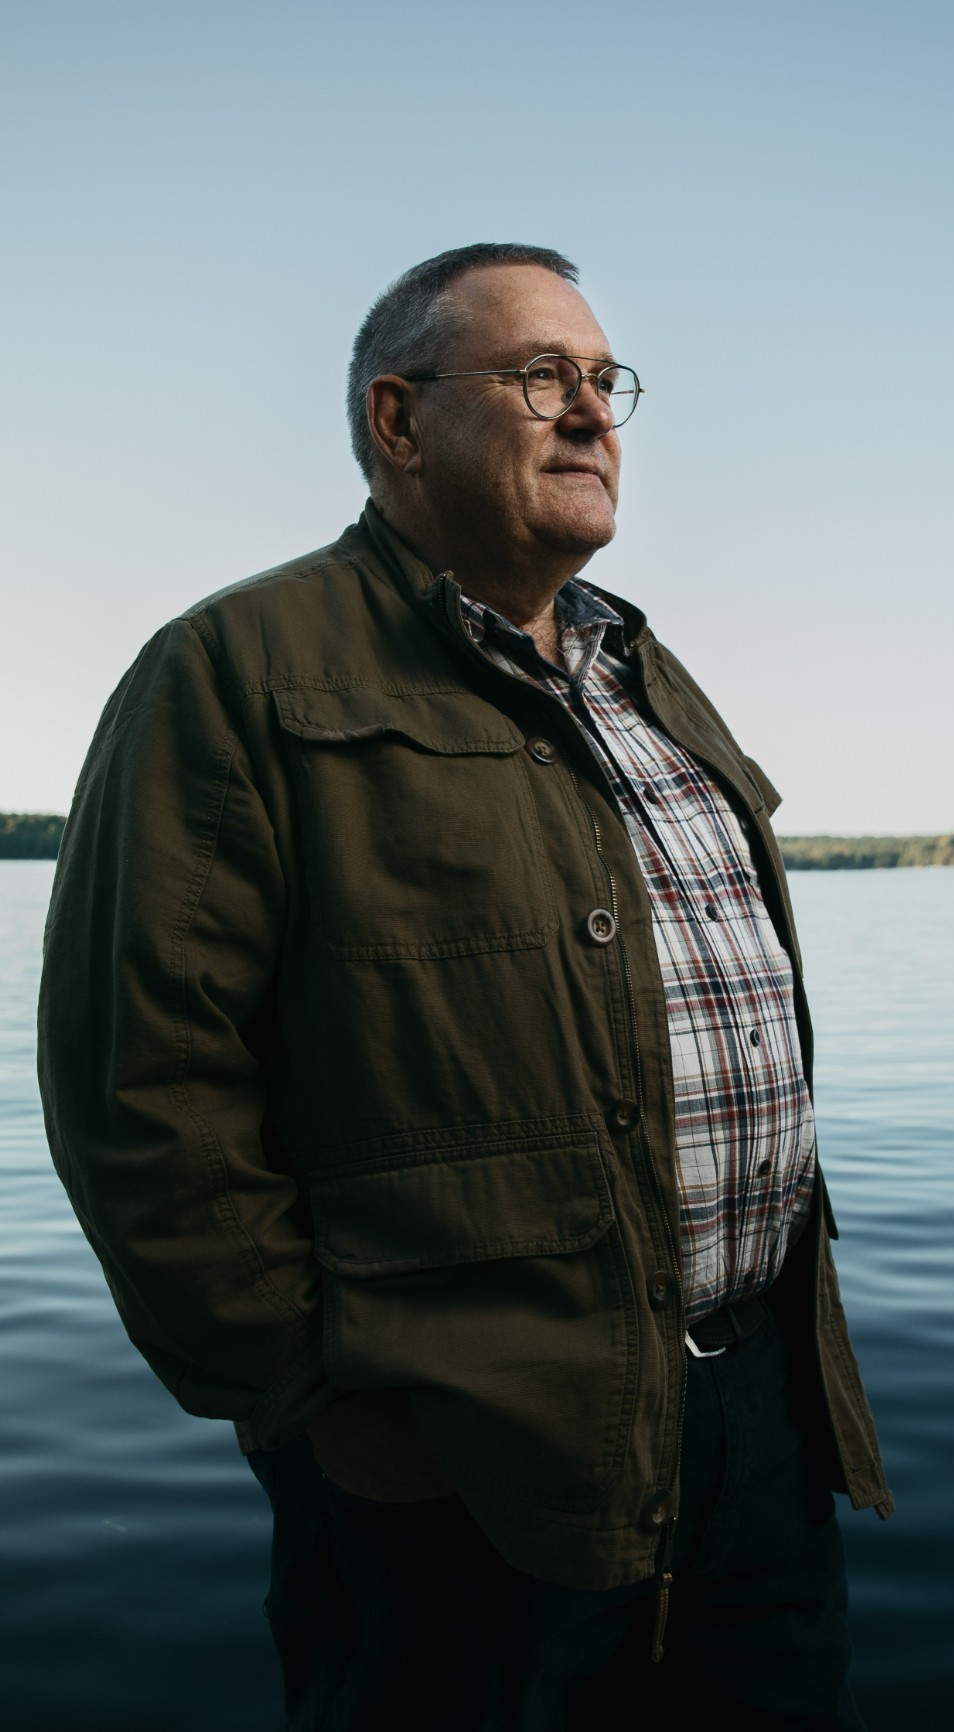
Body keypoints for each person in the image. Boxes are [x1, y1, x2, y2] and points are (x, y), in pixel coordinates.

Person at [37, 242, 890, 1730]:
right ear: (398, 418)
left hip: (760, 1424)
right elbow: (140, 1093)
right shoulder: (231, 672)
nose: (591, 413)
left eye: (605, 380)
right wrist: (324, 1411)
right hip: (456, 1460)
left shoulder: (647, 676)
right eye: (537, 375)